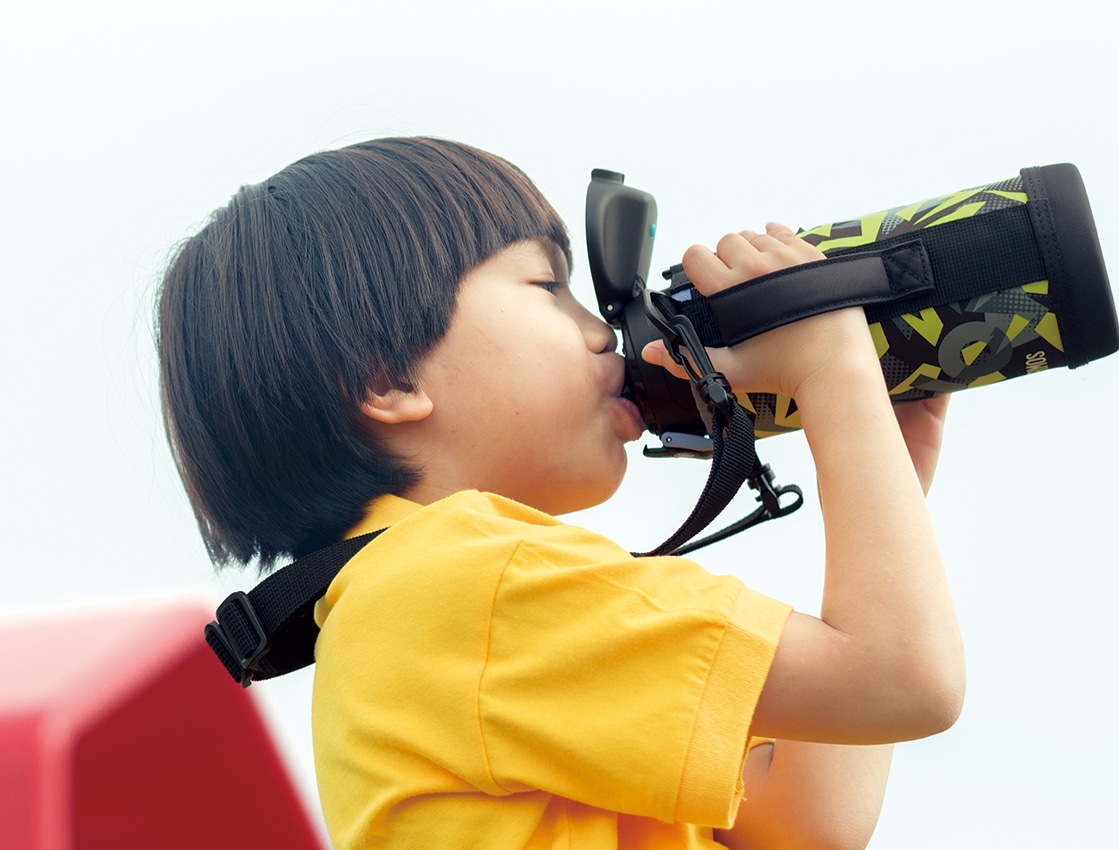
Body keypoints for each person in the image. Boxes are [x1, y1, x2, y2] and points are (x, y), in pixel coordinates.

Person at [157, 136, 964, 849]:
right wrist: (831, 369)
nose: (600, 331)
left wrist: (880, 460)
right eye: (547, 287)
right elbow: (901, 683)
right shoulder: (466, 581)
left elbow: (801, 825)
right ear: (388, 377)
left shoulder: (426, 604)